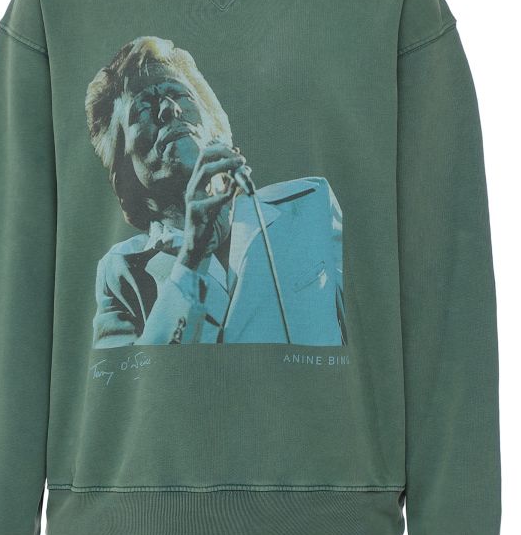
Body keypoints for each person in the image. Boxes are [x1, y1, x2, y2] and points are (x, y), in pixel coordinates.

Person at [85, 36, 345, 347]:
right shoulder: (121, 272)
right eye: (142, 109)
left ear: (215, 127)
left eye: (178, 94)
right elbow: (131, 375)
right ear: (123, 174)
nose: (169, 109)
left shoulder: (310, 204)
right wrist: (192, 258)